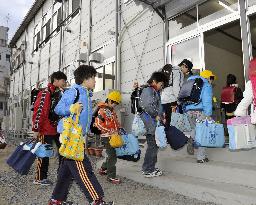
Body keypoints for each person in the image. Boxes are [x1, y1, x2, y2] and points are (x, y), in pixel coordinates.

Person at [49, 65, 113, 205]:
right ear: (85, 79)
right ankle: (96, 200)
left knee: (67, 170)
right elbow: (58, 109)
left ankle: (56, 200)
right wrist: (71, 108)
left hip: (77, 136)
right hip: (71, 137)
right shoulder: (74, 91)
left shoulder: (86, 94)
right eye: (93, 78)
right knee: (83, 168)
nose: (95, 81)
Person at [32, 71, 67, 185]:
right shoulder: (45, 93)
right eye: (63, 80)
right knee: (44, 154)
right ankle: (40, 178)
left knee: (63, 151)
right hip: (45, 130)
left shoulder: (57, 92)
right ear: (56, 80)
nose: (64, 83)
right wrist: (36, 129)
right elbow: (39, 111)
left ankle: (61, 175)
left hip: (56, 129)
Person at [140, 71, 168, 177]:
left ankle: (149, 167)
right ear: (155, 81)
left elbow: (155, 106)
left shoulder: (153, 91)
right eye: (161, 84)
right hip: (150, 124)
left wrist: (161, 116)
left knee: (153, 147)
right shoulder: (149, 90)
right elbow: (147, 105)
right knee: (152, 147)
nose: (161, 87)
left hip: (152, 123)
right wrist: (156, 115)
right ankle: (148, 170)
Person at [184, 70, 215, 163]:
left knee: (196, 130)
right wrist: (208, 114)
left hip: (189, 112)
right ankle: (201, 157)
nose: (212, 80)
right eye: (212, 78)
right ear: (207, 77)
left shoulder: (190, 83)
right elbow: (207, 101)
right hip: (200, 112)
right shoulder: (206, 85)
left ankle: (191, 138)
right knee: (202, 134)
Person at [94, 91, 122, 184]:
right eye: (114, 103)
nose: (115, 105)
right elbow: (98, 124)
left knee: (111, 154)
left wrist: (119, 128)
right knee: (112, 156)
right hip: (107, 137)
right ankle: (111, 176)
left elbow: (115, 122)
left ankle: (103, 169)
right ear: (109, 100)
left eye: (117, 103)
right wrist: (108, 130)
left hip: (112, 136)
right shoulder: (102, 110)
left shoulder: (111, 110)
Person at [161, 59, 193, 126]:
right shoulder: (179, 72)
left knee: (164, 122)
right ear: (184, 66)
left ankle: (164, 135)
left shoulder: (171, 70)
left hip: (163, 99)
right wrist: (179, 102)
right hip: (171, 100)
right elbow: (177, 89)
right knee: (173, 123)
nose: (186, 73)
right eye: (187, 70)